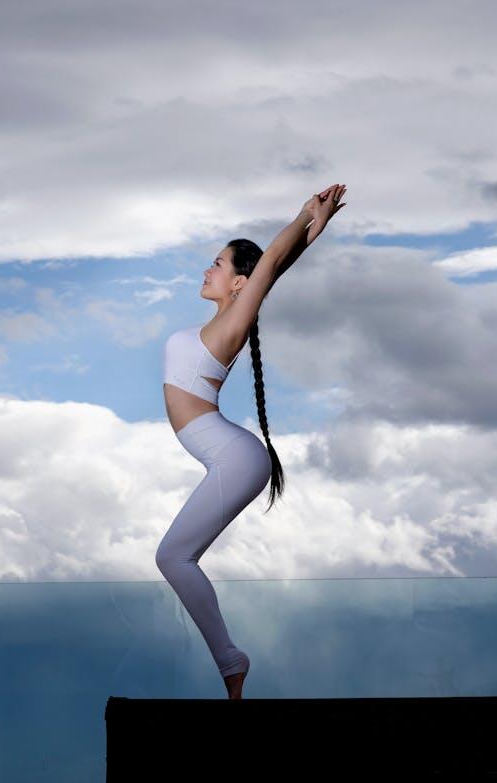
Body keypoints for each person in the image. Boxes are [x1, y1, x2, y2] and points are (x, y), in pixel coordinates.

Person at [158, 183, 348, 699]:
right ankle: (230, 665)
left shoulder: (234, 322)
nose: (207, 269)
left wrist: (306, 213)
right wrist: (315, 226)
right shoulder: (225, 319)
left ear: (240, 283)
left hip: (235, 458)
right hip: (229, 454)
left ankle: (230, 661)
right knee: (174, 557)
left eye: (218, 263)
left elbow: (271, 263)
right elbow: (276, 266)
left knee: (172, 557)